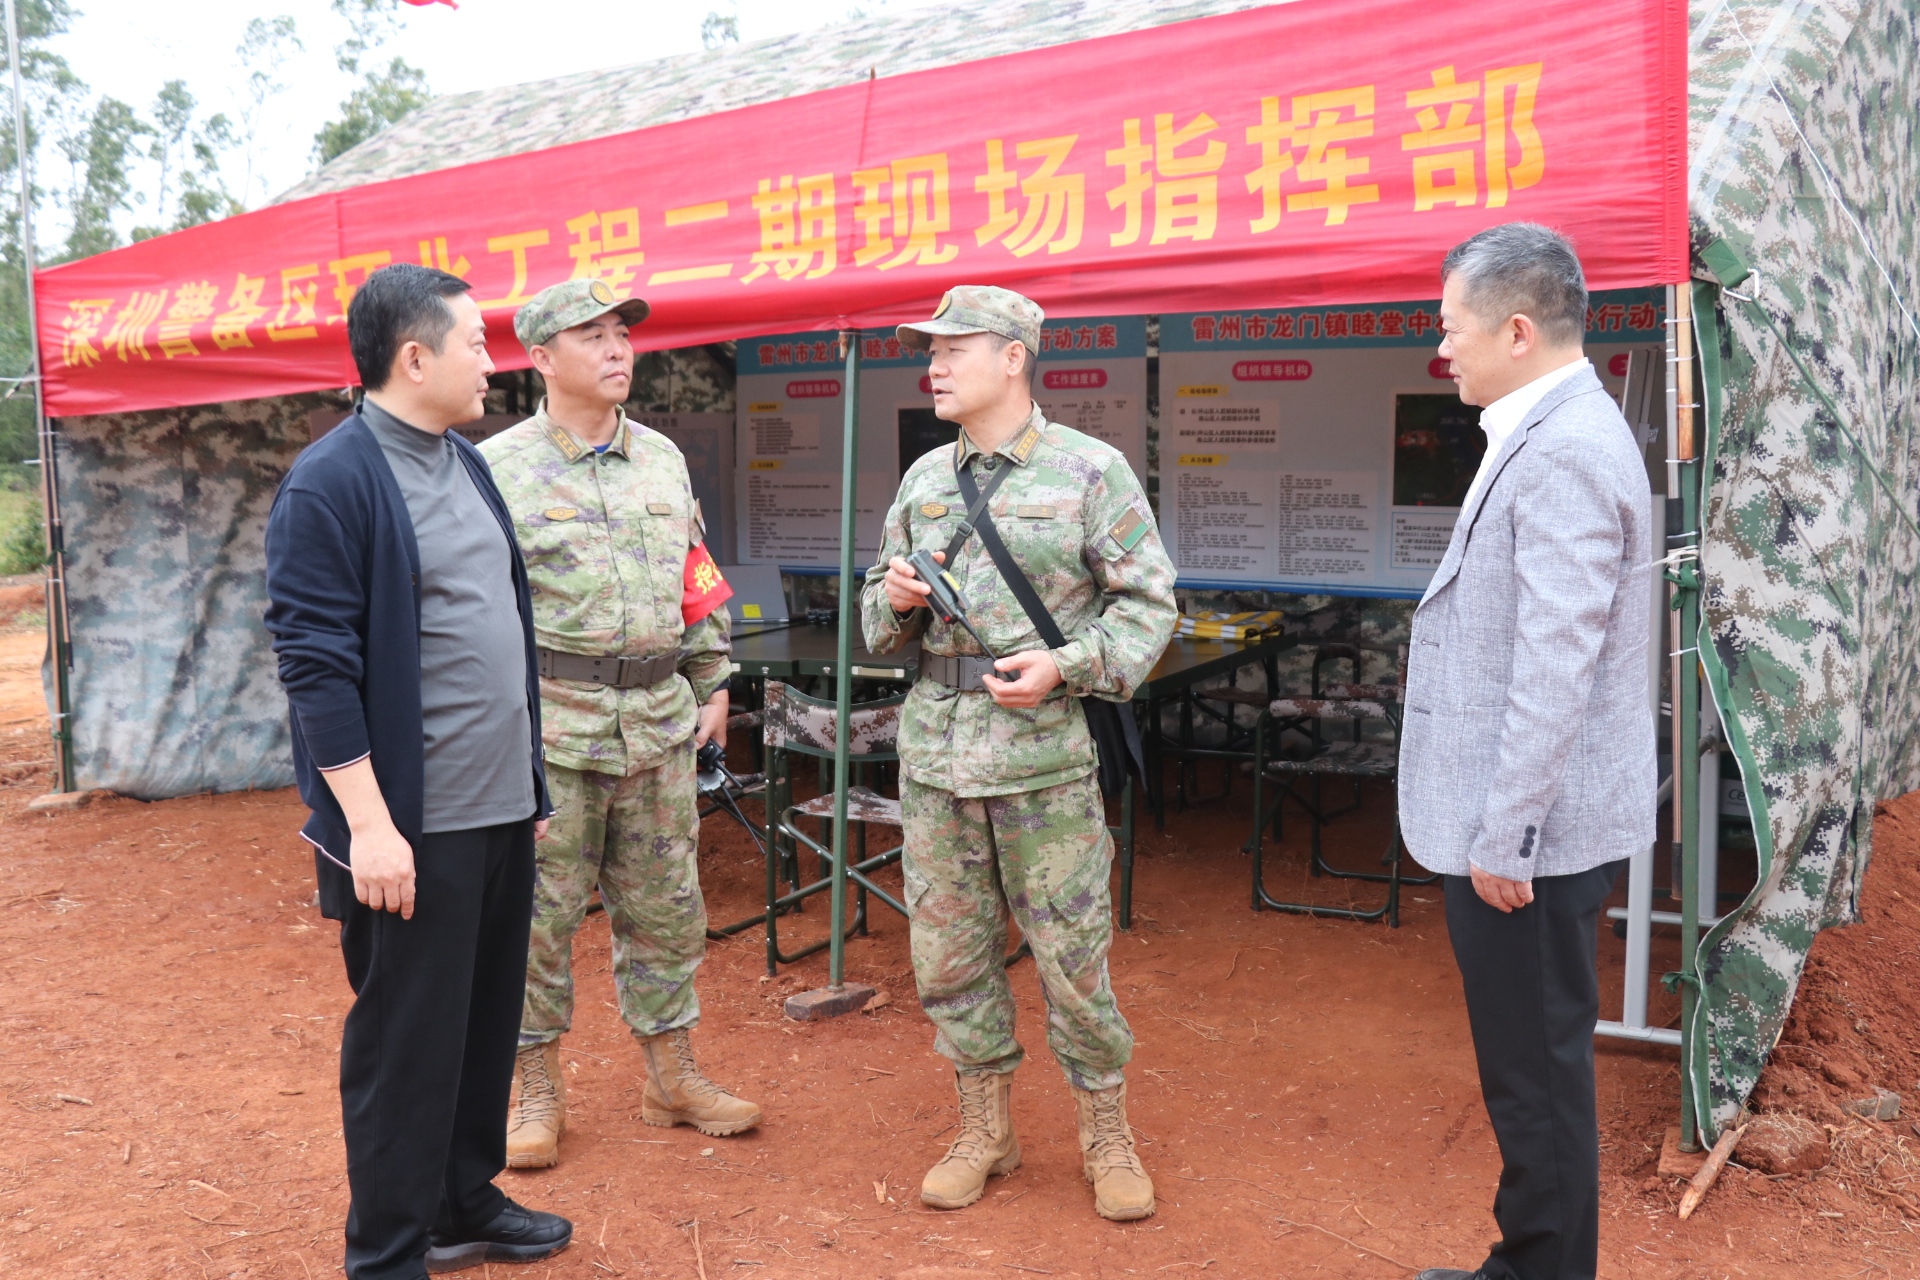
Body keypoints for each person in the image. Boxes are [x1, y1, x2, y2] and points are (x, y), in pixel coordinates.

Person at [264, 263, 571, 1279]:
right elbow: (315, 666)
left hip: (497, 808)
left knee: (481, 1023)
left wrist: (526, 783)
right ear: (414, 358)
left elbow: (496, 624)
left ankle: (460, 1201)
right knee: (406, 1042)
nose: (492, 360)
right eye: (476, 342)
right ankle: (389, 1252)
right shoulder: (334, 481)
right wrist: (368, 824)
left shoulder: (464, 462)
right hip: (409, 824)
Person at [863, 286, 1177, 1222]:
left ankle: (1106, 1134)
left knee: (1072, 961)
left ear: (1013, 357)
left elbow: (1148, 607)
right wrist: (897, 599)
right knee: (948, 959)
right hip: (936, 762)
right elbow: (876, 616)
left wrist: (1064, 666)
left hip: (1042, 763)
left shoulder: (1090, 471)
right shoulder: (925, 479)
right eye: (930, 351)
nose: (934, 366)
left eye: (952, 349)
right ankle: (985, 1132)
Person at [1399, 223, 1655, 1280]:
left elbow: (1557, 661)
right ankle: (1531, 1262)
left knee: (1535, 1074)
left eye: (1450, 327)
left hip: (1530, 838)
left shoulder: (1564, 451)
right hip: (1532, 825)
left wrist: (1508, 833)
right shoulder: (1548, 429)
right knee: (1530, 1066)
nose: (1441, 349)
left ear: (1515, 329)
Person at [480, 278, 758, 1170]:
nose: (615, 349)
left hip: (657, 725)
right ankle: (534, 1089)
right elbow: (471, 613)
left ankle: (671, 1077)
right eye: (591, 335)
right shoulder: (495, 469)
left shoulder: (663, 459)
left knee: (668, 912)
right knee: (537, 920)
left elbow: (695, 572)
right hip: (551, 734)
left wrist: (713, 678)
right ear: (541, 357)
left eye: (622, 334)